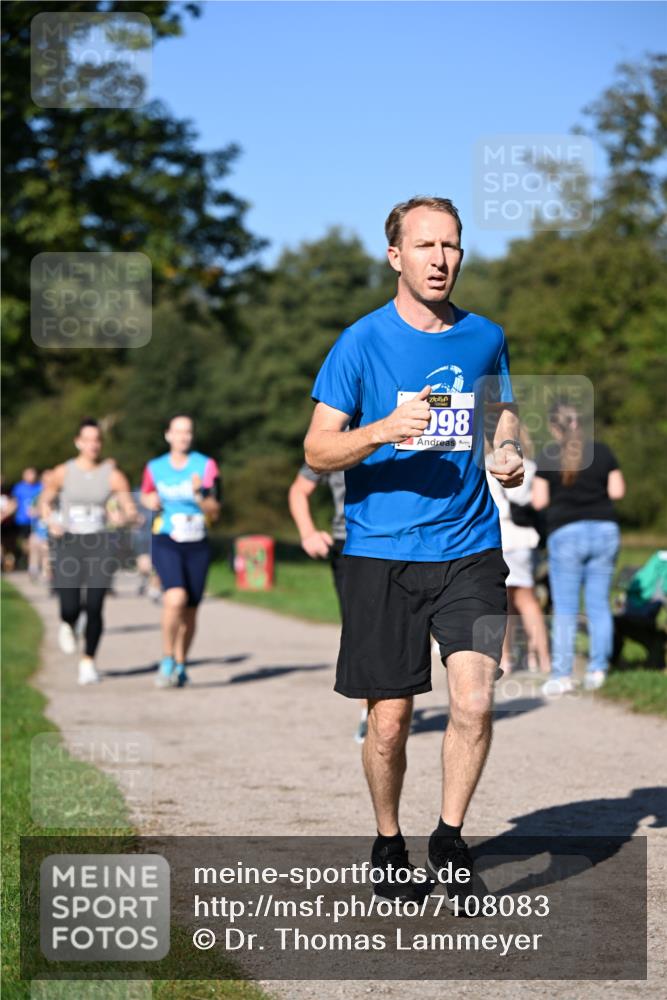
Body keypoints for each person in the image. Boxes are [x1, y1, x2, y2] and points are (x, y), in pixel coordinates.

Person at [304, 196, 523, 911]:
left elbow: (502, 409)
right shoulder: (359, 343)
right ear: (395, 255)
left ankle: (450, 838)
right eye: (424, 246)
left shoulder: (485, 337)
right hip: (379, 553)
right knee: (390, 721)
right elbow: (316, 448)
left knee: (474, 700)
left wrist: (509, 448)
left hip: (470, 548)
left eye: (451, 246)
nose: (439, 259)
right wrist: (381, 428)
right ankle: (388, 838)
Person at [532, 400, 626, 693]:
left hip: (566, 535)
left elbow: (538, 502)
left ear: (552, 426)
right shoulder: (603, 451)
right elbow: (617, 491)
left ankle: (562, 675)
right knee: (598, 604)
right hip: (605, 531)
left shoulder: (547, 456)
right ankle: (598, 670)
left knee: (566, 608)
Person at [40, 420, 137, 685]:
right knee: (69, 606)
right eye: (88, 439)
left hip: (100, 543)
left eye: (97, 440)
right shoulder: (63, 472)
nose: (93, 444)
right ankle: (69, 623)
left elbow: (131, 511)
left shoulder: (113, 475)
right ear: (78, 442)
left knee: (95, 605)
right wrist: (51, 520)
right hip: (69, 542)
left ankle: (88, 662)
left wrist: (123, 517)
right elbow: (44, 502)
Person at [288, 464, 368, 742]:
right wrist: (308, 532)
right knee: (361, 629)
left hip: (408, 542)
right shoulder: (338, 430)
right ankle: (370, 712)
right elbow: (299, 490)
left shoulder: (409, 424)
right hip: (350, 543)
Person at [140, 415, 221, 688]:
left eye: (188, 432)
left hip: (197, 542)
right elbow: (146, 495)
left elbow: (215, 510)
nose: (183, 437)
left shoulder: (205, 465)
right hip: (166, 538)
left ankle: (181, 662)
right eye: (178, 432)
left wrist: (200, 495)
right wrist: (148, 500)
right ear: (168, 435)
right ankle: (166, 659)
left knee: (191, 611)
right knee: (175, 598)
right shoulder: (155, 467)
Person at [486, 435, 550, 674]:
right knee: (525, 600)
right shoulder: (531, 467)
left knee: (508, 602)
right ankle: (540, 658)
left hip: (501, 536)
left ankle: (507, 658)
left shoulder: (486, 465)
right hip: (525, 539)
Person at [11, 467, 41, 565]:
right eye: (28, 474)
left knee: (36, 541)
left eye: (32, 474)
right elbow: (14, 503)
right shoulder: (19, 487)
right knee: (25, 543)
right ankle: (27, 560)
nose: (31, 476)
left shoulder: (40, 487)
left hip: (37, 521)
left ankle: (33, 563)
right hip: (22, 520)